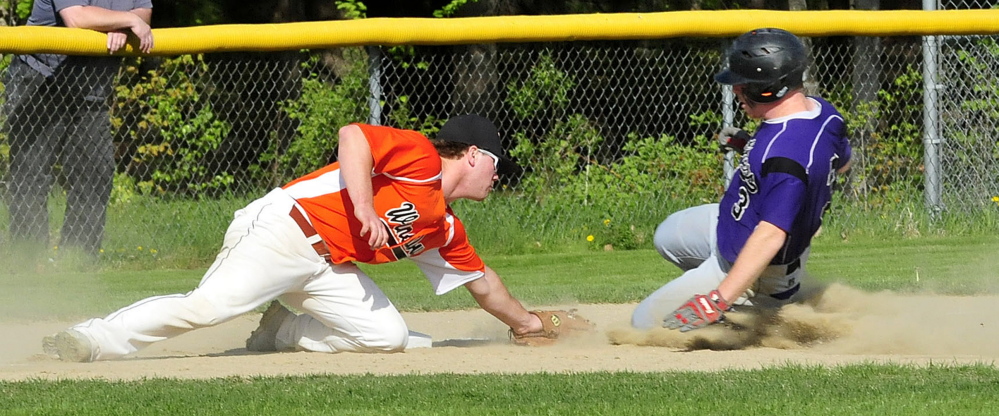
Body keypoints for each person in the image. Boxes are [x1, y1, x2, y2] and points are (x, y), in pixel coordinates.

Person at [43, 114, 555, 362]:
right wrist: (360, 205)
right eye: (496, 164)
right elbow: (354, 135)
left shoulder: (444, 227)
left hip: (328, 265)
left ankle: (282, 329)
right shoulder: (420, 158)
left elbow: (481, 281)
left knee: (387, 340)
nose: (498, 175)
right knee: (208, 308)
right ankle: (91, 339)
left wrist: (530, 323)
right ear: (472, 155)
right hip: (285, 230)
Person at [631, 28, 853, 331]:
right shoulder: (823, 112)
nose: (736, 91)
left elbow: (770, 235)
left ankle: (743, 306)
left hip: (761, 266)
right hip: (729, 227)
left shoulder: (785, 158)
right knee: (666, 236)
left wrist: (717, 299)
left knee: (644, 324)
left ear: (770, 88)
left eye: (744, 84)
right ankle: (730, 290)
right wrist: (750, 144)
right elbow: (841, 164)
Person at [3, 0, 154, 256]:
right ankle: (27, 264)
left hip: (91, 90)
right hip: (40, 80)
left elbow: (144, 14)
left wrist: (121, 23)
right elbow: (77, 18)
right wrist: (125, 21)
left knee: (95, 174)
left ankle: (78, 263)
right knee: (31, 174)